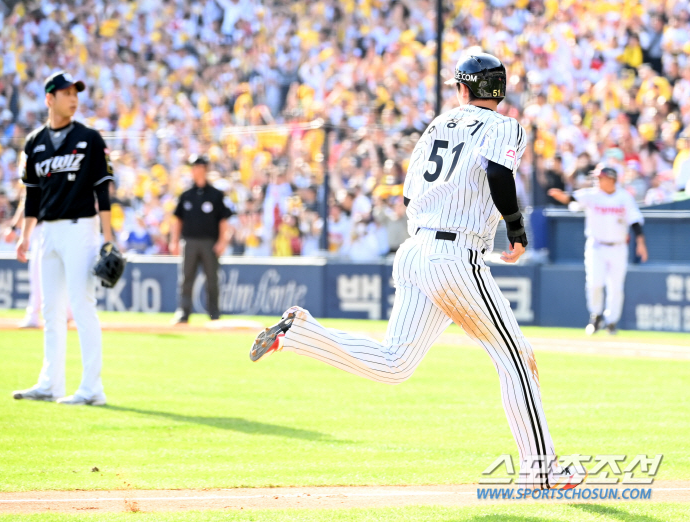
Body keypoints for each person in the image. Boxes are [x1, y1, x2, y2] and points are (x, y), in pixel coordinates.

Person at [249, 53, 586, 490]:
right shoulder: (505, 126)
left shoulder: (437, 125)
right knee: (516, 359)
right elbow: (499, 172)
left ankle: (300, 334)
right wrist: (516, 228)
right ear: (498, 92)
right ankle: (541, 471)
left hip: (415, 249)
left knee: (394, 364)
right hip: (455, 255)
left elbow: (409, 197)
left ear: (463, 89)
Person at [13, 71, 114, 406]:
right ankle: (50, 383)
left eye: (76, 92)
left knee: (81, 306)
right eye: (66, 92)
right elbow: (32, 195)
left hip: (80, 228)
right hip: (47, 231)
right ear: (49, 98)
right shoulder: (35, 142)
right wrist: (25, 236)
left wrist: (108, 238)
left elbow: (103, 191)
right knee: (50, 310)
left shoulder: (89, 138)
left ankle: (91, 389)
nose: (73, 98)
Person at [548, 167, 648, 335]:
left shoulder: (624, 197)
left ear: (611, 179)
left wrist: (641, 242)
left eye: (601, 178)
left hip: (618, 247)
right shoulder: (592, 194)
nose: (598, 181)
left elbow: (635, 221)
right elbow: (571, 198)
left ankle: (612, 322)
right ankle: (596, 316)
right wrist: (561, 195)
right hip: (596, 245)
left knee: (616, 287)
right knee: (595, 282)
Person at [170, 155, 232, 324]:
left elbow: (223, 220)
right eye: (193, 167)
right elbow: (177, 220)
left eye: (198, 167)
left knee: (212, 279)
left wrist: (222, 241)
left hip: (209, 243)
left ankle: (214, 314)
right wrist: (174, 241)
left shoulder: (215, 195)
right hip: (189, 242)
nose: (195, 170)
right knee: (186, 279)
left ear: (204, 169)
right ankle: (184, 313)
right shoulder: (186, 195)